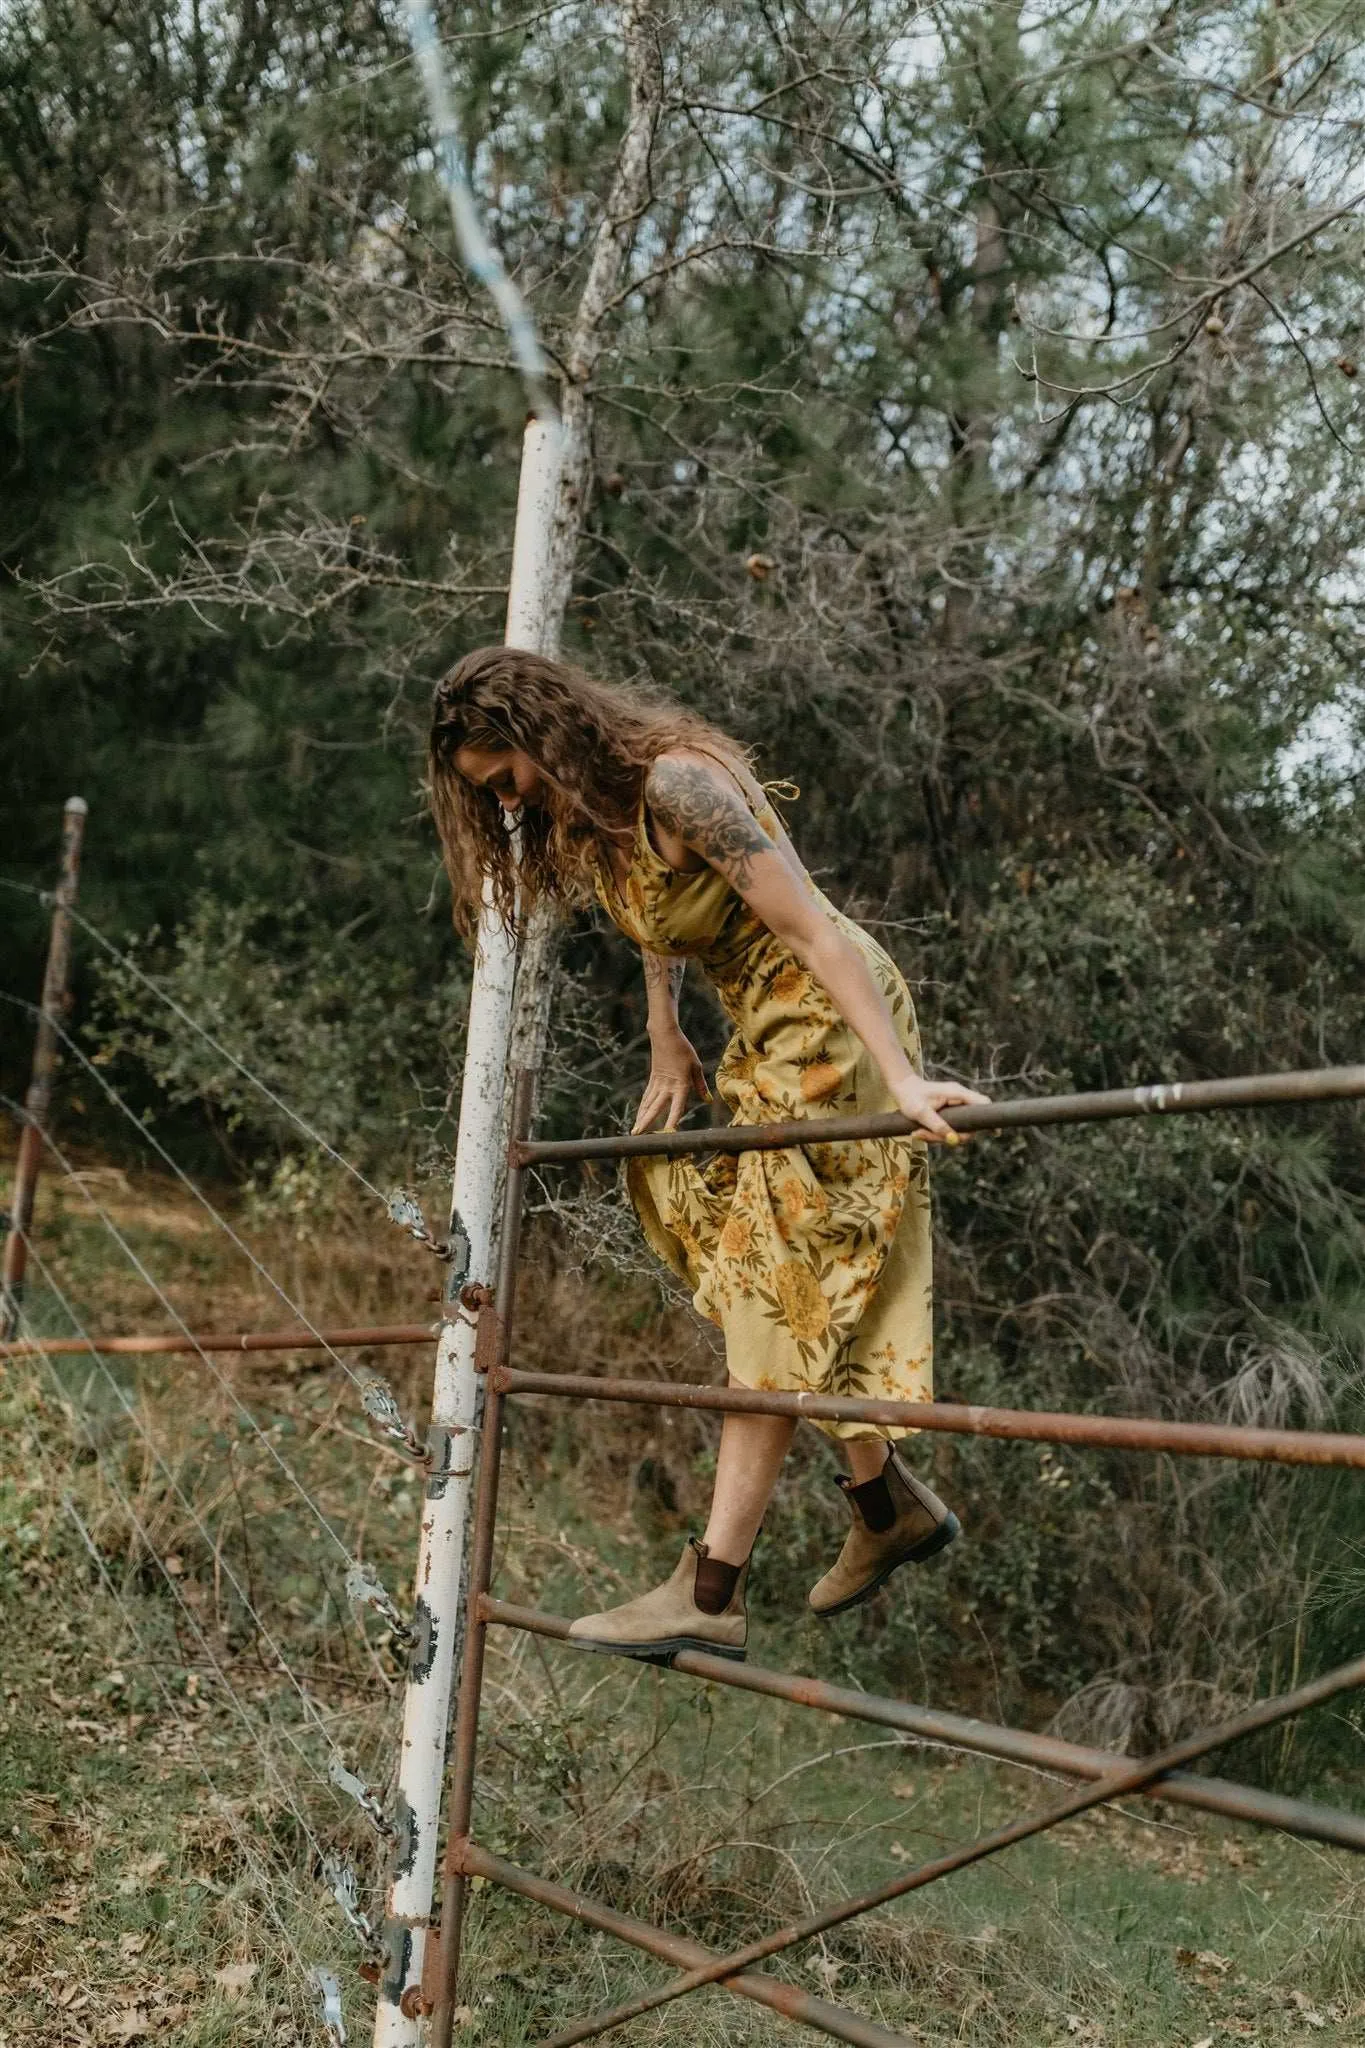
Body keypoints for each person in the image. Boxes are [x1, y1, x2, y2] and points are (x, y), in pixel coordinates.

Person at [428, 645, 988, 1663]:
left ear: (545, 732)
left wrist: (903, 1076)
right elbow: (660, 916)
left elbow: (815, 930)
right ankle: (882, 1498)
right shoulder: (597, 817)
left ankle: (712, 1588)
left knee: (774, 1281)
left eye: (509, 776)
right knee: (738, 1247)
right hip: (759, 1027)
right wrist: (664, 1029)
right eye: (490, 795)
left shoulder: (683, 781)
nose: (509, 802)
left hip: (829, 1019)